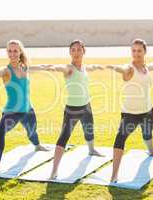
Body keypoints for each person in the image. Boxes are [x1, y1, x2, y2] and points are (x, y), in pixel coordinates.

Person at [0, 39, 51, 176]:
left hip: (28, 109)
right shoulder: (6, 71)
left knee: (32, 133)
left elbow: (41, 66)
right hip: (13, 112)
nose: (12, 54)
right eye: (10, 51)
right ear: (7, 53)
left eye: (15, 50)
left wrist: (52, 66)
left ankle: (38, 146)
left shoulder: (25, 67)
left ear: (20, 51)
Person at [106, 38, 153, 182]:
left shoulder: (145, 67)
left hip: (148, 110)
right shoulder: (130, 68)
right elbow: (124, 69)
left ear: (145, 52)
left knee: (147, 133)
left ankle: (151, 151)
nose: (136, 53)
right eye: (133, 50)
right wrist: (114, 67)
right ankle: (114, 174)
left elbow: (150, 66)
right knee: (120, 139)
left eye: (139, 50)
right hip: (130, 114)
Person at [46, 39, 105, 179]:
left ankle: (91, 150)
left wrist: (101, 66)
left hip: (86, 106)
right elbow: (58, 67)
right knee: (64, 137)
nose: (76, 52)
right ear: (70, 53)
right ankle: (54, 170)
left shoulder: (84, 67)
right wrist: (51, 68)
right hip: (72, 109)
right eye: (73, 50)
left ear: (84, 51)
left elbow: (92, 67)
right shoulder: (69, 68)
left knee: (89, 130)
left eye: (79, 49)